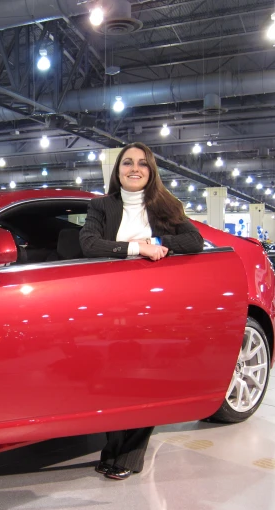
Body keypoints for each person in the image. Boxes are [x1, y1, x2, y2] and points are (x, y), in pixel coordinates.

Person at [79, 142, 204, 480]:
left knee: (143, 382)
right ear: (118, 171)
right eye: (127, 163)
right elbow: (88, 244)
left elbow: (195, 242)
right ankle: (112, 449)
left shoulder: (167, 206)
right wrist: (138, 248)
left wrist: (160, 246)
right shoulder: (101, 207)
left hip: (152, 306)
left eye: (142, 164)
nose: (134, 168)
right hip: (110, 306)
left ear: (151, 171)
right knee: (111, 381)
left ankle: (128, 457)